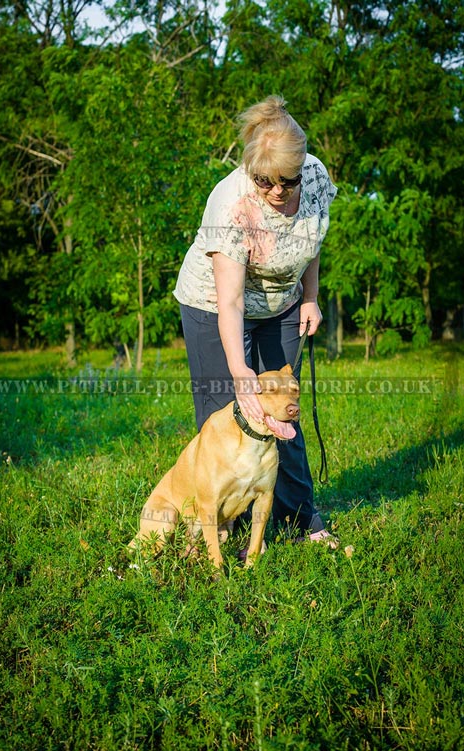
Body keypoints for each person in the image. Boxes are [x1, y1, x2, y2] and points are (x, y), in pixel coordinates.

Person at [173, 95, 337, 551]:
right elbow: (229, 304)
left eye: (287, 180)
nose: (277, 191)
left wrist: (310, 297)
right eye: (265, 181)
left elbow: (311, 238)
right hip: (214, 307)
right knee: (226, 413)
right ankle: (223, 527)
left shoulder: (318, 178)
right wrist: (241, 372)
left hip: (282, 303)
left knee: (282, 408)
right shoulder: (231, 205)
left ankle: (299, 516)